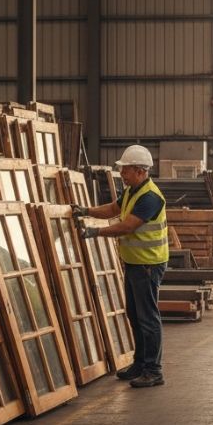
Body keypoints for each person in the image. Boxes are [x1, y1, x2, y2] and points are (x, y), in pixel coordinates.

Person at [72, 144, 168, 389]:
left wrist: (95, 232)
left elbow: (127, 226)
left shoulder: (150, 197)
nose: (122, 174)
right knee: (135, 315)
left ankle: (153, 370)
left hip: (148, 264)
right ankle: (140, 364)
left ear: (139, 170)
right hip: (136, 263)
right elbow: (114, 209)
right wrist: (86, 211)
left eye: (125, 170)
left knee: (148, 318)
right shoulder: (132, 191)